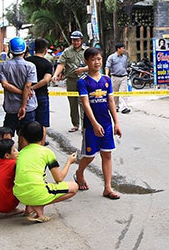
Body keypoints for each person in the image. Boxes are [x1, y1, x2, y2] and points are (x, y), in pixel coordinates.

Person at [74, 48, 123, 200]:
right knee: (89, 156)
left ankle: (108, 187)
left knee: (107, 155)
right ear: (86, 62)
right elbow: (86, 104)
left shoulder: (106, 80)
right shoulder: (82, 82)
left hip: (106, 124)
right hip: (91, 126)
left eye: (99, 59)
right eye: (93, 59)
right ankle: (79, 173)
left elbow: (110, 102)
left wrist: (116, 123)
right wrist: (94, 124)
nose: (97, 62)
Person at [13, 121, 78, 222]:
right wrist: (69, 161)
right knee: (74, 187)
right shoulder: (46, 152)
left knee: (34, 180)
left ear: (24, 138)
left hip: (19, 194)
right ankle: (39, 205)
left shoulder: (21, 152)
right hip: (36, 192)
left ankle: (30, 206)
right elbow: (59, 178)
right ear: (43, 136)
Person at [0, 37, 38, 135]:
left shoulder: (3, 66)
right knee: (26, 136)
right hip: (28, 107)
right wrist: (23, 105)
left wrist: (21, 92)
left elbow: (5, 85)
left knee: (7, 135)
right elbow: (27, 86)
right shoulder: (30, 66)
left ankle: (8, 150)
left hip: (11, 107)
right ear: (25, 50)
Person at [52, 31, 88, 133]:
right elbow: (61, 64)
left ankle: (85, 125)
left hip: (84, 80)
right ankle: (75, 124)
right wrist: (55, 75)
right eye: (73, 40)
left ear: (81, 40)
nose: (75, 42)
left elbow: (93, 63)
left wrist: (83, 69)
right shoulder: (67, 52)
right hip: (71, 81)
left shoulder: (87, 51)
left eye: (77, 40)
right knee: (73, 103)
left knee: (84, 102)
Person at [25, 38, 54, 127]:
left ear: (34, 49)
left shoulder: (26, 61)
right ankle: (41, 141)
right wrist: (33, 88)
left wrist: (28, 88)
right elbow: (45, 80)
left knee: (27, 124)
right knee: (42, 124)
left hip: (27, 96)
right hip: (41, 95)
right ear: (45, 50)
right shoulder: (47, 64)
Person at [105, 42, 131, 114]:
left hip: (123, 77)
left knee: (123, 92)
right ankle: (115, 106)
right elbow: (107, 67)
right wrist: (107, 75)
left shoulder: (125, 57)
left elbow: (126, 66)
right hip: (115, 77)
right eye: (122, 48)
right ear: (118, 49)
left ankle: (124, 107)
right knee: (115, 93)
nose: (124, 50)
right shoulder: (111, 57)